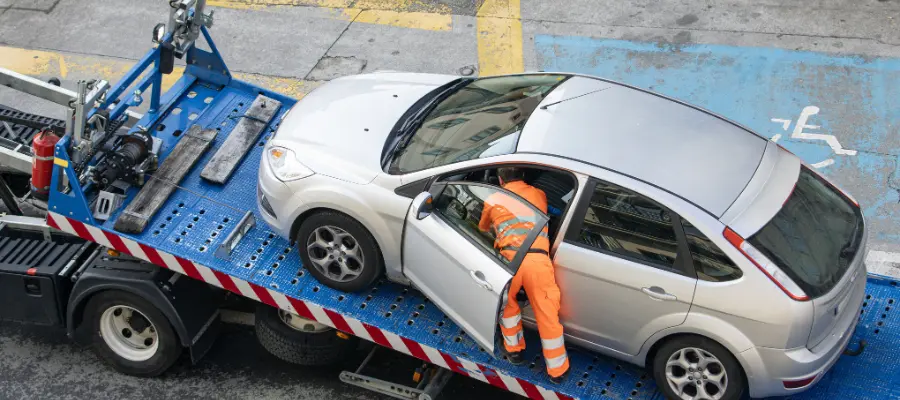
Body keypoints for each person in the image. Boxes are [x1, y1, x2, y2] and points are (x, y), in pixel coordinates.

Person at [478, 167, 569, 384]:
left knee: (507, 308)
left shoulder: (493, 199)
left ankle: (515, 351)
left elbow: (482, 228)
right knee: (547, 314)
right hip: (538, 260)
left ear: (500, 180)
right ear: (524, 176)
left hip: (510, 262)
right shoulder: (539, 194)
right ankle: (557, 371)